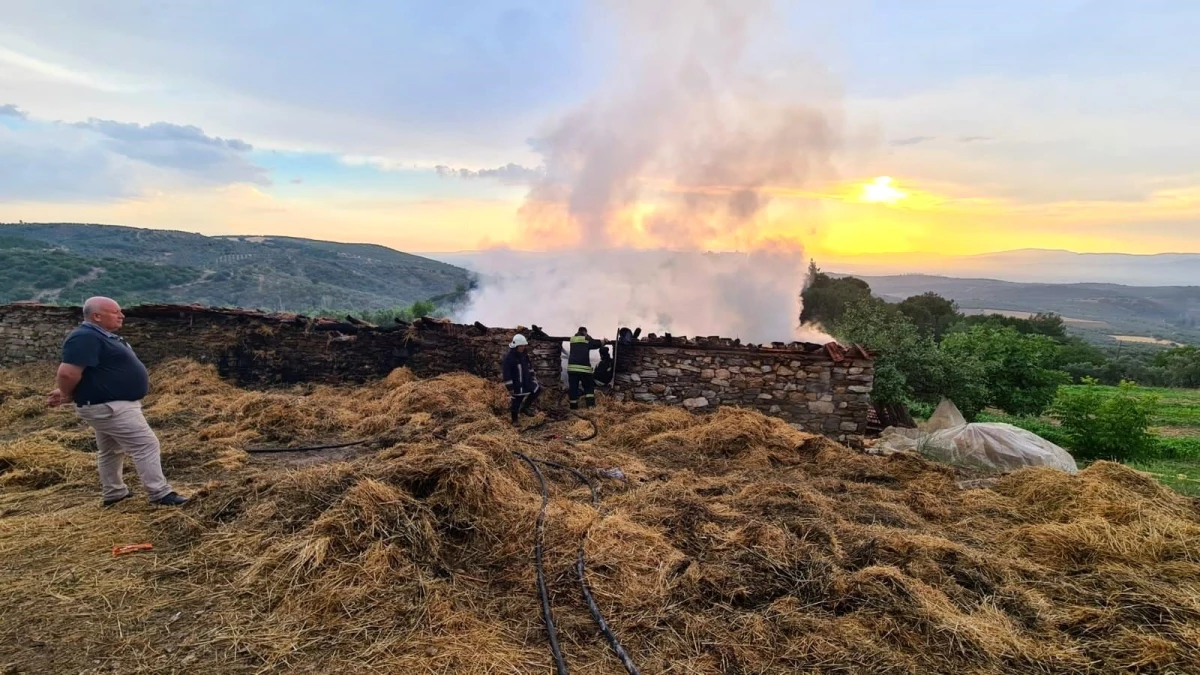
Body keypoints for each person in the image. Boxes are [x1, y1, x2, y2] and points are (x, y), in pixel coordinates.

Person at [46, 297, 188, 507]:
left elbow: (91, 372)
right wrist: (67, 394)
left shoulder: (99, 337)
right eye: (115, 312)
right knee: (146, 445)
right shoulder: (85, 337)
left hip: (109, 404)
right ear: (97, 316)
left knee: (111, 449)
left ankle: (114, 492)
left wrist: (67, 391)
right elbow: (68, 373)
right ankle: (159, 493)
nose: (122, 315)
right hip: (111, 407)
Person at [501, 333, 541, 425]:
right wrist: (510, 387)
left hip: (527, 381)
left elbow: (529, 367)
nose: (523, 347)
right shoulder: (509, 358)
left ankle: (525, 408)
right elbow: (506, 374)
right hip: (517, 383)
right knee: (517, 400)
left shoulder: (524, 355)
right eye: (521, 346)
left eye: (524, 346)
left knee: (537, 390)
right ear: (516, 346)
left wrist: (533, 378)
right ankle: (514, 420)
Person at [567, 327, 605, 409]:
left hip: (572, 369)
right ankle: (590, 406)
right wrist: (604, 341)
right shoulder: (586, 339)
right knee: (589, 387)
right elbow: (596, 344)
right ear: (585, 332)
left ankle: (573, 407)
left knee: (573, 388)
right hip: (584, 369)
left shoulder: (572, 339)